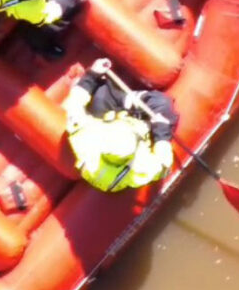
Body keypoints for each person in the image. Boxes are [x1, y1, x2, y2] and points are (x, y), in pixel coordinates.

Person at [62, 58, 179, 192]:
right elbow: (163, 165)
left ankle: (126, 99)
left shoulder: (85, 138)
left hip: (112, 119)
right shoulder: (141, 167)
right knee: (162, 105)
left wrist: (92, 74)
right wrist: (161, 132)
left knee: (100, 92)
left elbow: (74, 105)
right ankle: (129, 101)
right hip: (136, 125)